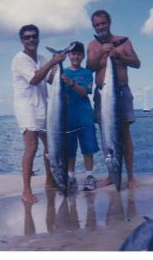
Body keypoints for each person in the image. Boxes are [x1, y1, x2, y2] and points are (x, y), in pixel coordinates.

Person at [86, 10, 141, 189]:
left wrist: (118, 55)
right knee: (106, 135)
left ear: (109, 22)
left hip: (121, 93)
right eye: (97, 25)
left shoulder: (123, 41)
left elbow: (136, 63)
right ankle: (112, 175)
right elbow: (89, 68)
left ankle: (131, 177)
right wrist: (102, 52)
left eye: (103, 23)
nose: (100, 27)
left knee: (125, 135)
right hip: (103, 94)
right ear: (94, 27)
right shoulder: (93, 46)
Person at [11, 24, 65, 203]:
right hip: (27, 108)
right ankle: (26, 191)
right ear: (21, 40)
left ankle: (50, 180)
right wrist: (52, 62)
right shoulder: (19, 59)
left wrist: (57, 68)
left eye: (34, 36)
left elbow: (47, 79)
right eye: (26, 37)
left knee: (50, 147)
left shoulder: (41, 58)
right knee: (31, 147)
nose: (31, 39)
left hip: (44, 106)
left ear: (38, 38)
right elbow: (34, 79)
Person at [48, 41, 99, 192]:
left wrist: (71, 83)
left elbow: (85, 92)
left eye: (78, 54)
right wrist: (54, 63)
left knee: (88, 149)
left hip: (85, 118)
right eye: (73, 54)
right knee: (70, 151)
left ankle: (89, 176)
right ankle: (71, 176)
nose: (75, 57)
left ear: (82, 56)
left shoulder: (87, 73)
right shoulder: (63, 71)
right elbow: (50, 80)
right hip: (66, 119)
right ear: (68, 55)